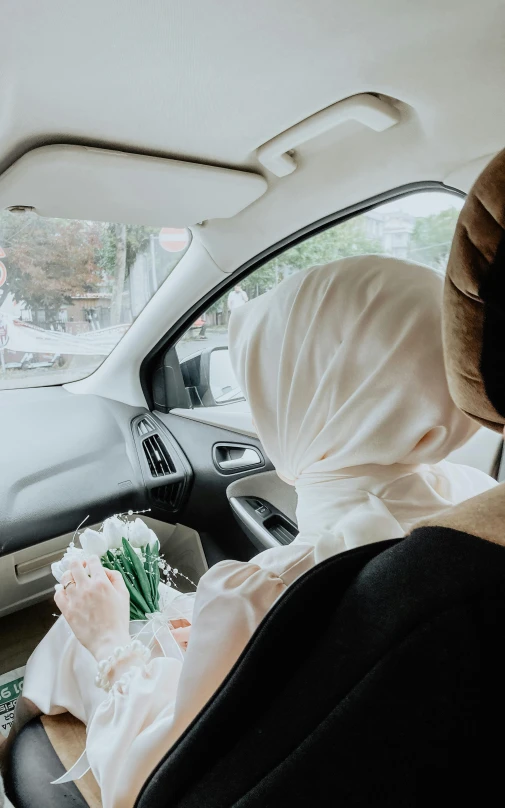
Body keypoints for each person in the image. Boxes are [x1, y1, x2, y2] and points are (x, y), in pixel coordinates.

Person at [14, 256, 496, 808]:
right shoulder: (475, 501)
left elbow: (148, 780)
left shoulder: (273, 594)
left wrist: (108, 642)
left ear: (314, 397)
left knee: (72, 646)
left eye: (273, 383)